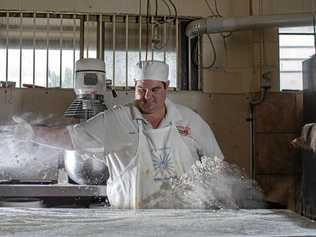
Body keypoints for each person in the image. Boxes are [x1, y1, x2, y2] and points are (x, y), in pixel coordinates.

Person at [68, 60, 224, 208]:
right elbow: (71, 137)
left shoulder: (190, 120)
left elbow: (217, 165)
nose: (148, 97)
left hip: (183, 221)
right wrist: (42, 134)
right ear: (134, 87)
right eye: (141, 90)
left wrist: (217, 200)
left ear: (166, 87)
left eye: (155, 89)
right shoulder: (117, 119)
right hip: (129, 222)